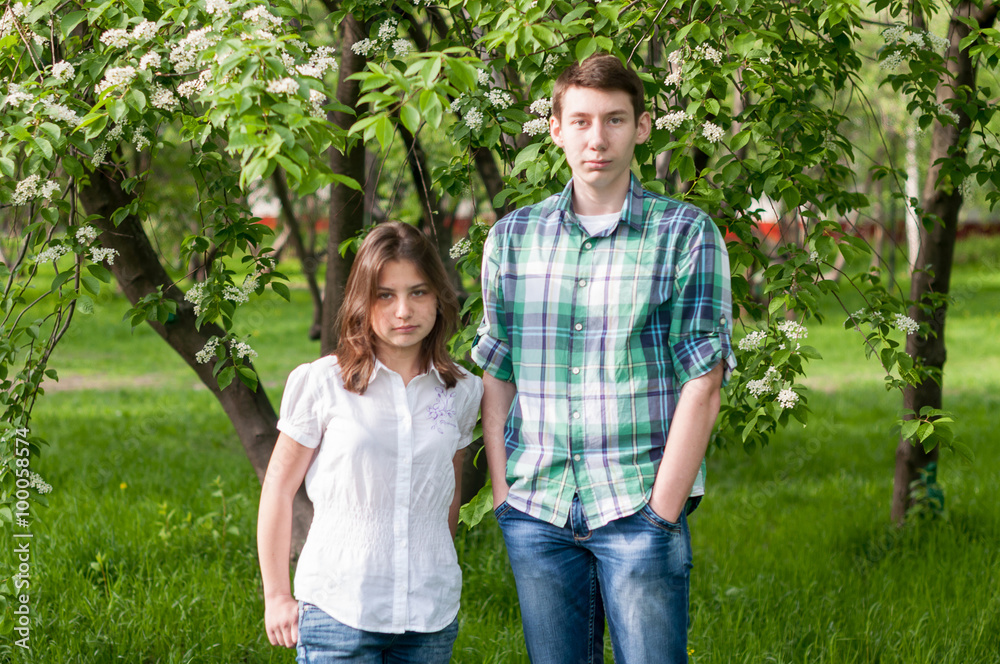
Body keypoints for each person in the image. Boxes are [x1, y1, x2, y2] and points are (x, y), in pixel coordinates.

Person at [472, 54, 735, 664]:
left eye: (615, 120)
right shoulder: (512, 238)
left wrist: (661, 511)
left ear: (642, 128)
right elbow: (498, 366)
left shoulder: (685, 234)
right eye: (583, 120)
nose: (598, 139)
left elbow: (705, 381)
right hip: (536, 509)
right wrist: (501, 489)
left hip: (638, 504)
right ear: (556, 129)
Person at [257, 221, 483, 663]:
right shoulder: (323, 382)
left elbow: (447, 495)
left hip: (429, 615)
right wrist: (276, 596)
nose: (404, 311)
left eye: (418, 292)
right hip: (340, 610)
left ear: (439, 296)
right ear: (363, 300)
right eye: (386, 295)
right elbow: (278, 490)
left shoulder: (462, 392)